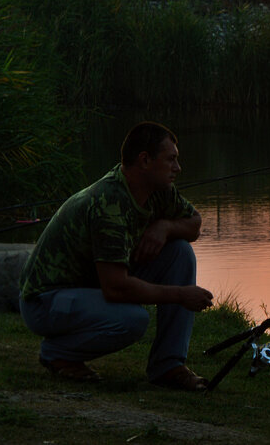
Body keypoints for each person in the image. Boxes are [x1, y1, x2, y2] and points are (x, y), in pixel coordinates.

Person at [19, 121, 214, 389]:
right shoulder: (110, 203)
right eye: (171, 160)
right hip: (46, 300)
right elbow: (115, 289)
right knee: (132, 320)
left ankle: (169, 365)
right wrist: (181, 295)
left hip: (90, 288)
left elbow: (194, 224)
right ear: (144, 161)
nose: (177, 168)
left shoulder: (159, 192)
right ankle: (59, 353)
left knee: (179, 251)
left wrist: (165, 227)